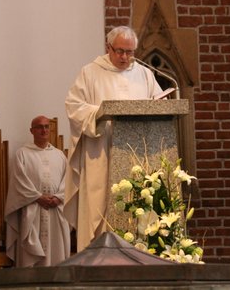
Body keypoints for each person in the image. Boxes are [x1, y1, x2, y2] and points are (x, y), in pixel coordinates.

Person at [64, 26, 163, 252]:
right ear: (108, 47)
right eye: (120, 51)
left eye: (130, 52)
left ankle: (139, 253)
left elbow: (159, 104)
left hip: (137, 155)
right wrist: (101, 113)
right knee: (100, 205)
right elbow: (74, 107)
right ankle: (99, 254)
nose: (125, 57)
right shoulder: (90, 73)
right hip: (101, 151)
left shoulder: (144, 74)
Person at [4, 115, 70, 267]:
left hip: (55, 209)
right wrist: (38, 197)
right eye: (39, 127)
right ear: (32, 131)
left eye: (47, 126)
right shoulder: (23, 153)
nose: (44, 130)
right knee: (31, 255)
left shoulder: (60, 155)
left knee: (57, 255)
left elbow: (68, 180)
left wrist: (58, 197)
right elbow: (18, 181)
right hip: (33, 208)